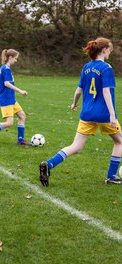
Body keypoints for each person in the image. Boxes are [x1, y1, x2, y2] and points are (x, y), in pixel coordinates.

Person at [40, 37, 122, 186]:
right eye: (109, 49)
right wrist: (112, 114)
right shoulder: (106, 68)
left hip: (87, 113)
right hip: (104, 114)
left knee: (76, 146)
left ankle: (48, 164)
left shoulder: (86, 67)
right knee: (119, 142)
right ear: (104, 50)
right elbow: (106, 92)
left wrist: (74, 103)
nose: (110, 52)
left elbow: (79, 90)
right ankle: (111, 176)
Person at [0, 49, 30, 145]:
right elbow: (6, 84)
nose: (16, 60)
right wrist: (20, 91)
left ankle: (20, 140)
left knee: (22, 116)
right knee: (9, 123)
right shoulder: (6, 69)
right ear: (10, 57)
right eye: (15, 58)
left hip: (10, 98)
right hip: (7, 99)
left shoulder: (4, 68)